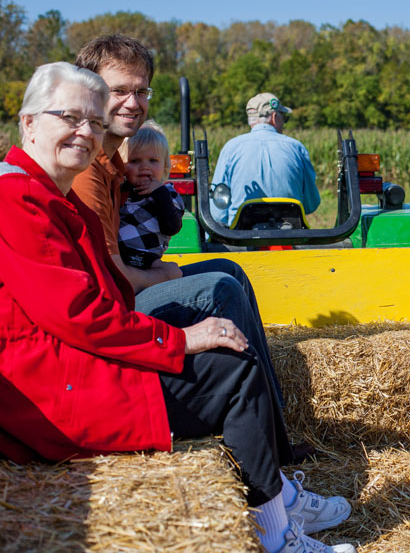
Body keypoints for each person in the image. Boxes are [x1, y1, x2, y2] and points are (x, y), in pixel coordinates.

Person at [0, 62, 355, 553]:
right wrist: (178, 339)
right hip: (55, 392)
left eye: (94, 122)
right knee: (231, 369)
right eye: (70, 118)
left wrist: (179, 333)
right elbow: (79, 315)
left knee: (227, 340)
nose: (85, 132)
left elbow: (106, 299)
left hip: (72, 364)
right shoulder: (17, 198)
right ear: (29, 123)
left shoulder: (53, 194)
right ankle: (277, 534)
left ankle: (279, 505)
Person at [71, 34, 285, 408]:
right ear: (89, 92)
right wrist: (167, 274)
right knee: (221, 287)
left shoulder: (115, 167)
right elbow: (117, 280)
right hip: (112, 308)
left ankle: (272, 405)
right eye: (119, 90)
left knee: (229, 269)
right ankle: (256, 414)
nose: (133, 102)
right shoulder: (88, 171)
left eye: (141, 91)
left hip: (130, 282)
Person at [211, 92, 320, 227]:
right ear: (274, 117)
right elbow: (311, 204)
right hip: (290, 233)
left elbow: (218, 210)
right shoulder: (296, 148)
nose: (284, 123)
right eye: (284, 118)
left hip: (240, 234)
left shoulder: (231, 148)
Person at [118, 119, 185, 269]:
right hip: (119, 258)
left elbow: (171, 228)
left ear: (165, 165)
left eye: (153, 160)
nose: (145, 167)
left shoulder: (168, 195)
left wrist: (159, 193)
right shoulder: (119, 192)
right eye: (135, 160)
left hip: (147, 260)